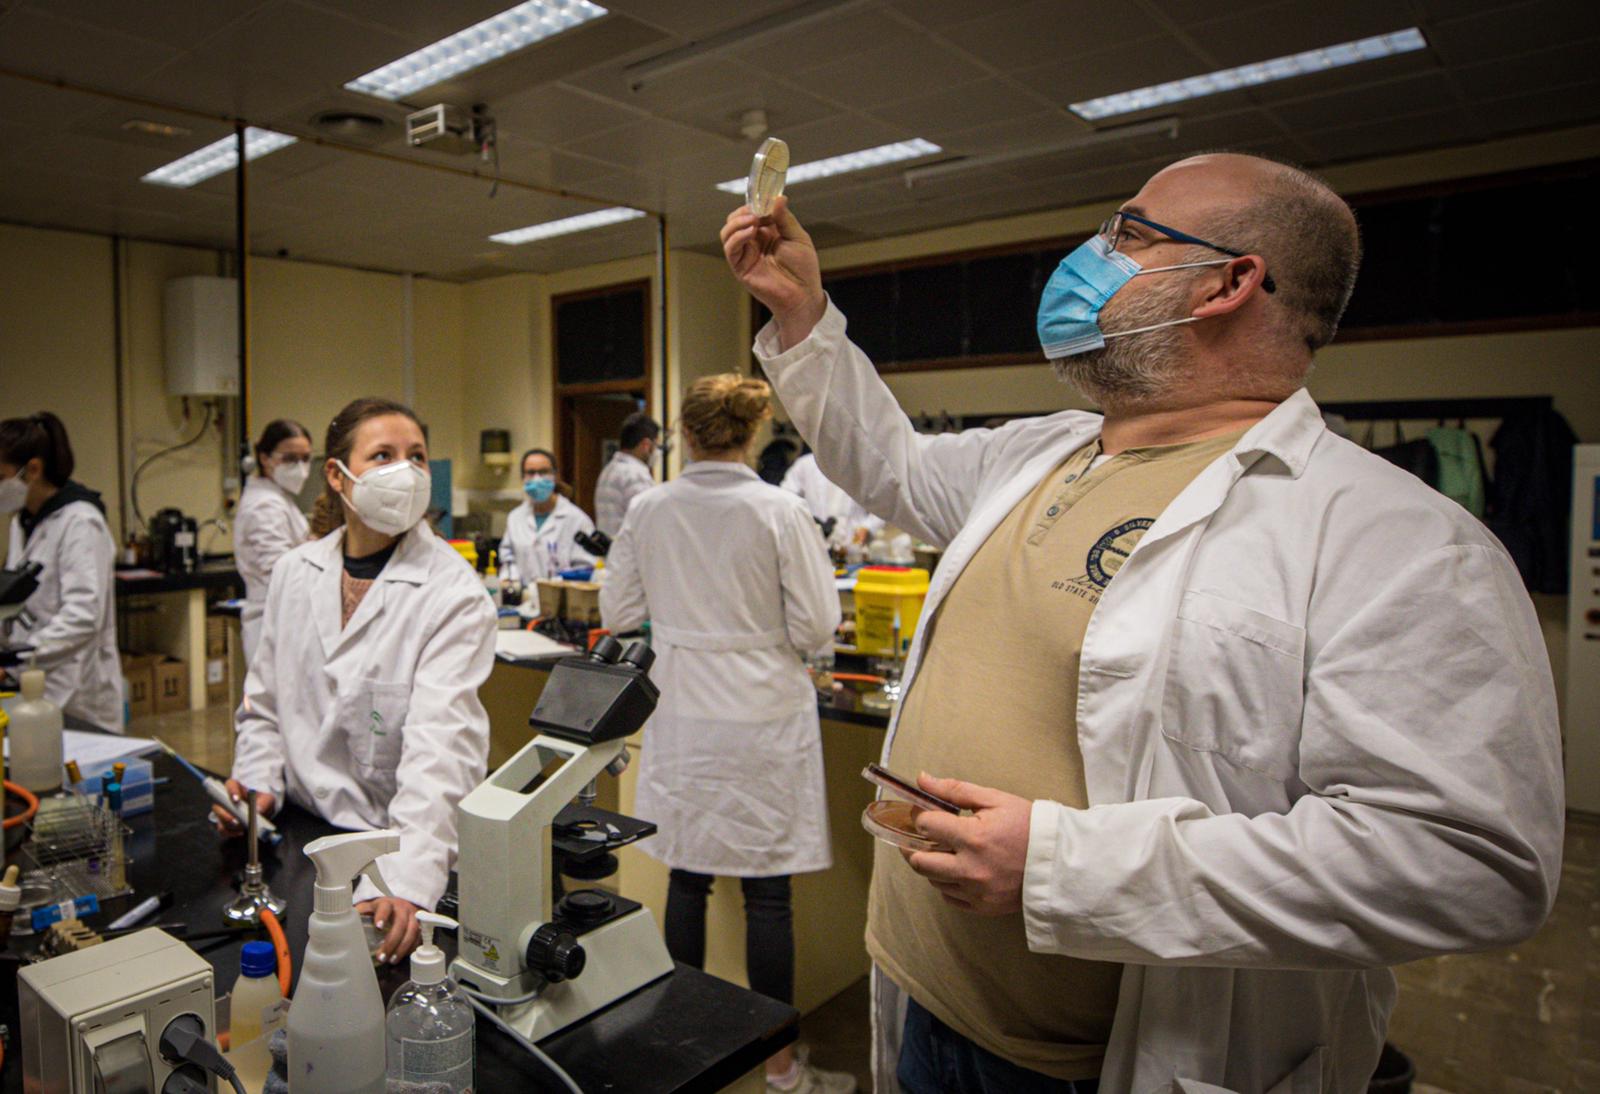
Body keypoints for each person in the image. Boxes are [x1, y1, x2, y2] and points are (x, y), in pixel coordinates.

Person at [721, 154, 1563, 1094]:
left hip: (1101, 1065)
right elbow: (892, 465)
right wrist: (803, 316)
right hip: (924, 1001)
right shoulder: (1039, 453)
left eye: (1128, 233)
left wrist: (1066, 867)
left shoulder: (1394, 537)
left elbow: (1466, 860)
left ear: (1230, 281)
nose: (1092, 257)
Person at [600, 375, 853, 1094]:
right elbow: (815, 625)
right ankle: (779, 1069)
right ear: (750, 431)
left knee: (687, 875)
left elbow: (618, 610)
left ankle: (687, 1051)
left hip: (684, 708)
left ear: (683, 431)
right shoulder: (780, 510)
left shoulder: (651, 508)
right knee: (767, 893)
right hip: (763, 714)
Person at [221, 397, 496, 963]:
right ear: (337, 476)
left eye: (416, 456)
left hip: (390, 845)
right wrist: (256, 781)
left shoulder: (453, 592)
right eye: (383, 455)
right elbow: (264, 704)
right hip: (298, 833)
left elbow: (444, 750)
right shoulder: (296, 573)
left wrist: (405, 880)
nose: (407, 471)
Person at [0, 412, 121, 731]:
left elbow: (83, 616)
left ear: (34, 470)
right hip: (31, 682)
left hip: (76, 691)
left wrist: (18, 658)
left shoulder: (81, 523)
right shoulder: (23, 522)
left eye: (1, 476)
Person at [234, 419, 312, 665]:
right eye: (289, 458)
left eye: (306, 458)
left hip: (285, 616)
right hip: (275, 619)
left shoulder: (278, 499)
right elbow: (279, 570)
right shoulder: (265, 505)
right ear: (265, 458)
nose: (299, 467)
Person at [499, 447, 595, 587]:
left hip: (564, 599)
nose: (537, 478)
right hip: (523, 601)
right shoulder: (515, 518)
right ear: (523, 478)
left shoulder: (576, 519)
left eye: (543, 472)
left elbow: (585, 568)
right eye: (531, 473)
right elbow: (507, 558)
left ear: (555, 476)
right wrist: (511, 580)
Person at [780, 451, 882, 554]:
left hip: (852, 544)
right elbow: (786, 498)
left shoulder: (863, 465)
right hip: (814, 543)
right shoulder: (805, 464)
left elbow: (882, 502)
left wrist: (868, 527)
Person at [593, 410, 662, 536]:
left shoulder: (609, 469)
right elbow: (646, 521)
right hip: (630, 550)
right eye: (656, 445)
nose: (657, 451)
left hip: (612, 549)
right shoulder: (636, 475)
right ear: (646, 445)